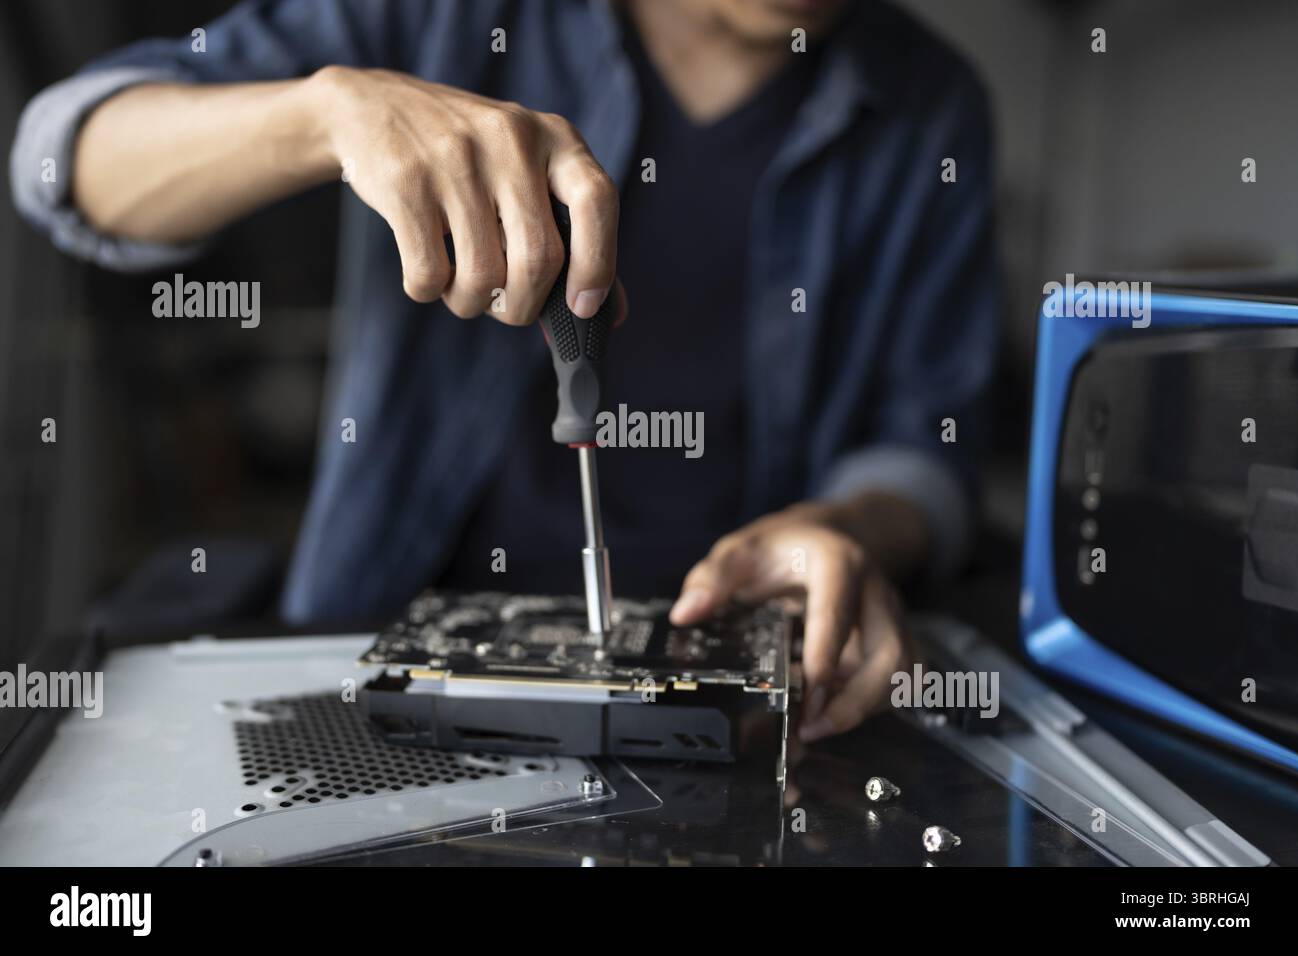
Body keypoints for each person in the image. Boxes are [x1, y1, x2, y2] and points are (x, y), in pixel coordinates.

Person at [10, 0, 999, 742]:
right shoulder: (447, 12)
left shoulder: (932, 108)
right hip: (389, 667)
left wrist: (846, 523)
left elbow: (929, 443)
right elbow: (58, 157)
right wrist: (325, 117)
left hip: (736, 706)